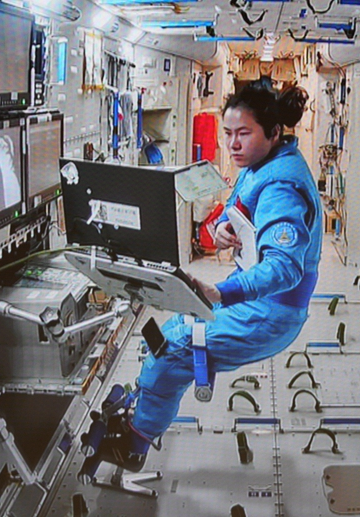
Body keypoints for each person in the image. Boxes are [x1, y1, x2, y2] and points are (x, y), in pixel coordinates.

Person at [101, 81, 323, 472]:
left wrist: (220, 292)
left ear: (274, 132)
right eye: (228, 133)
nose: (233, 144)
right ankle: (142, 409)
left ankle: (133, 445)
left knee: (173, 350)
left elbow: (284, 268)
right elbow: (237, 206)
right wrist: (222, 228)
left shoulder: (282, 186)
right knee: (172, 331)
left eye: (244, 133)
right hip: (255, 300)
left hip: (271, 312)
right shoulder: (261, 164)